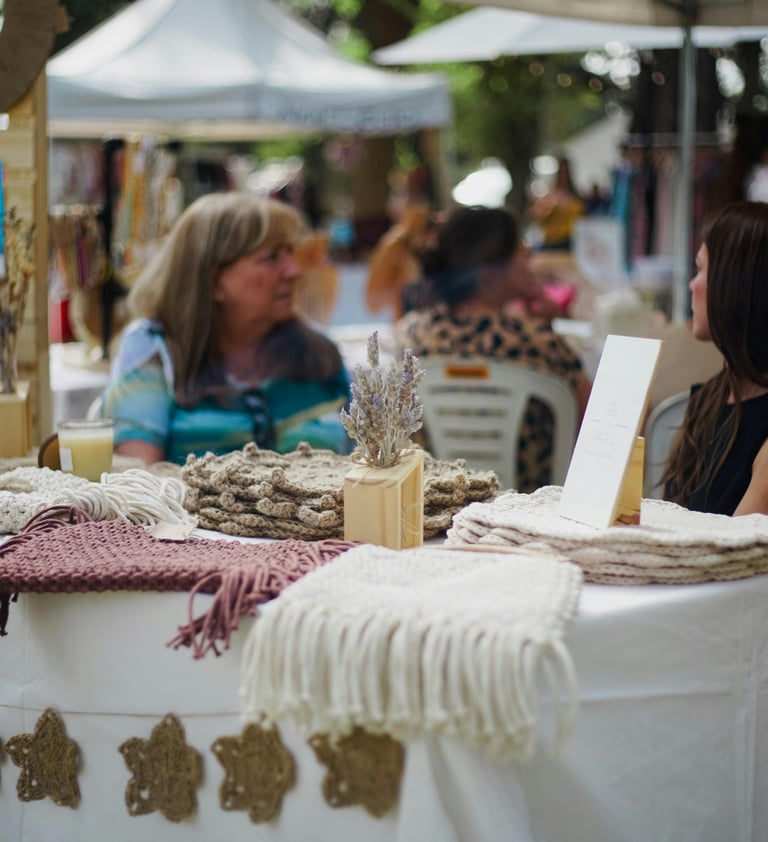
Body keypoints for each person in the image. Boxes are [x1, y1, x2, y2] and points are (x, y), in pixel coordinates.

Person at [99, 192, 351, 465]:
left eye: (289, 253)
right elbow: (138, 478)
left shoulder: (317, 353)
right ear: (215, 281)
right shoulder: (153, 350)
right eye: (271, 258)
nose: (293, 271)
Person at [394, 205, 592, 493]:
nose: (529, 257)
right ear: (491, 271)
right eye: (519, 249)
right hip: (527, 506)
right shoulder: (538, 342)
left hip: (434, 501)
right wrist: (546, 321)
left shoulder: (411, 335)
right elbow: (594, 422)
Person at [662, 201, 768, 516]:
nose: (693, 284)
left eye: (701, 268)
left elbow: (736, 556)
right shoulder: (710, 398)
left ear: (737, 285)